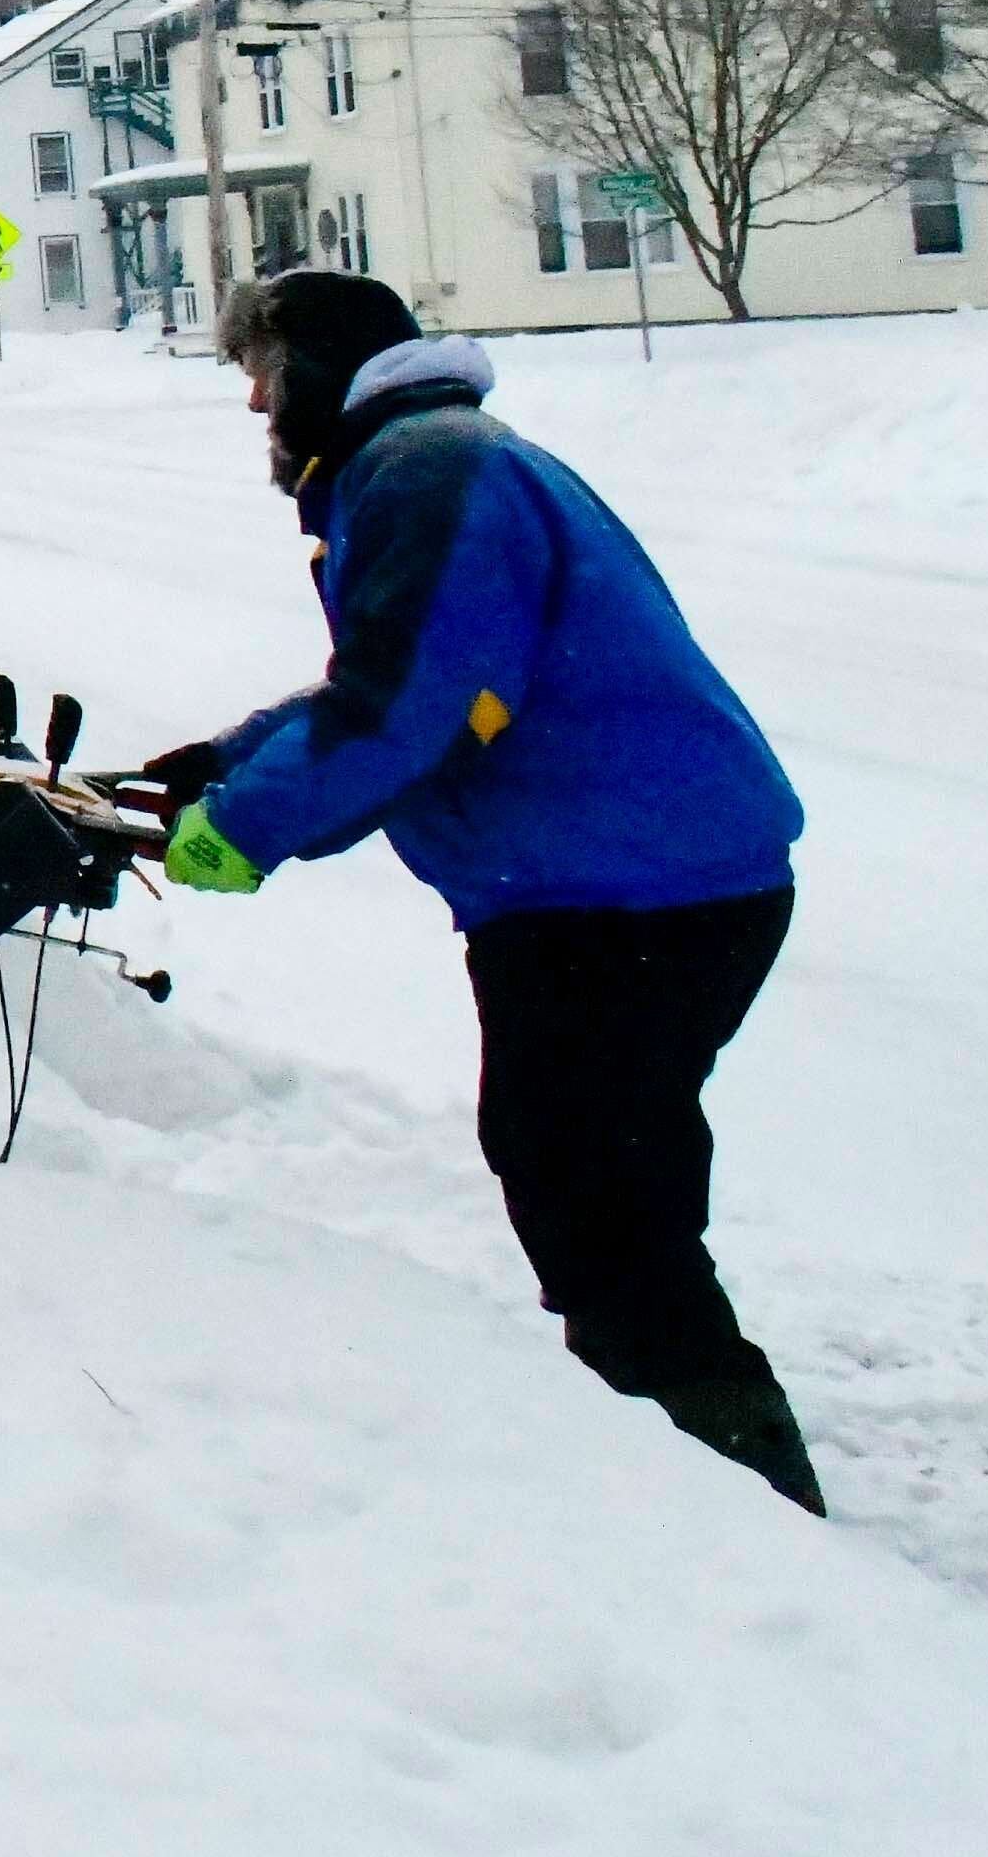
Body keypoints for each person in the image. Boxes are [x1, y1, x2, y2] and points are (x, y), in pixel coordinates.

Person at [145, 269, 823, 1515]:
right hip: (629, 885)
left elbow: (414, 710)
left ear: (317, 372)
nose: (253, 405)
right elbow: (413, 677)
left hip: (625, 897)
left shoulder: (424, 470)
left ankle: (737, 1496)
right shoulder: (429, 459)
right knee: (597, 1180)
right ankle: (681, 1461)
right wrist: (230, 759)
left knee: (593, 1193)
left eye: (262, 375)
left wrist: (234, 832)